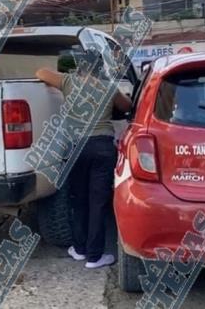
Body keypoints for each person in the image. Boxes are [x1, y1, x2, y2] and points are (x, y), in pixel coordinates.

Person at [35, 54, 132, 269]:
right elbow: (126, 106)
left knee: (78, 199)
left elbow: (40, 72)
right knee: (97, 202)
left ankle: (79, 250)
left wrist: (66, 77)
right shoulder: (109, 87)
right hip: (102, 147)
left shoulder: (69, 82)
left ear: (80, 68)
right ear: (100, 68)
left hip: (77, 147)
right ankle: (95, 257)